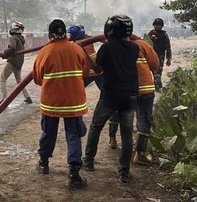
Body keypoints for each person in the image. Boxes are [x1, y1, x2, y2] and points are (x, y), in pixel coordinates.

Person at [33, 19, 90, 189]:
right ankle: (74, 175)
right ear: (65, 32)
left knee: (48, 132)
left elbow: (37, 79)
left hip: (51, 103)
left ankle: (43, 163)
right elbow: (86, 72)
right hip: (74, 102)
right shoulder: (77, 49)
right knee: (73, 135)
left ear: (50, 34)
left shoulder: (44, 52)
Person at [83, 15, 139, 183]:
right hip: (129, 95)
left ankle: (89, 160)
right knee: (127, 132)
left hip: (110, 95)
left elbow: (98, 68)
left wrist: (85, 53)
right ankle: (124, 171)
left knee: (96, 127)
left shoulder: (107, 48)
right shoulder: (134, 48)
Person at [106, 34, 159, 164]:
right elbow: (155, 65)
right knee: (144, 118)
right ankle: (140, 154)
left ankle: (113, 139)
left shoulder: (111, 47)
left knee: (119, 115)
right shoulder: (142, 45)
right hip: (144, 88)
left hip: (123, 89)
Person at [0, 21, 32, 105]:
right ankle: (28, 97)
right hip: (19, 62)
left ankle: (4, 100)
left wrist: (5, 53)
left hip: (13, 61)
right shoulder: (21, 39)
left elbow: (12, 48)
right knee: (19, 81)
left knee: (2, 79)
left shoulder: (13, 38)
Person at [147, 18, 172, 92]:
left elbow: (168, 47)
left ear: (161, 26)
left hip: (160, 56)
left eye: (159, 25)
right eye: (156, 25)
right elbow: (146, 44)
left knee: (158, 72)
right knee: (154, 72)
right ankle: (157, 85)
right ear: (154, 25)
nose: (157, 26)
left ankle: (158, 86)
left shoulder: (164, 35)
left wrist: (169, 58)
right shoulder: (150, 34)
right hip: (151, 55)